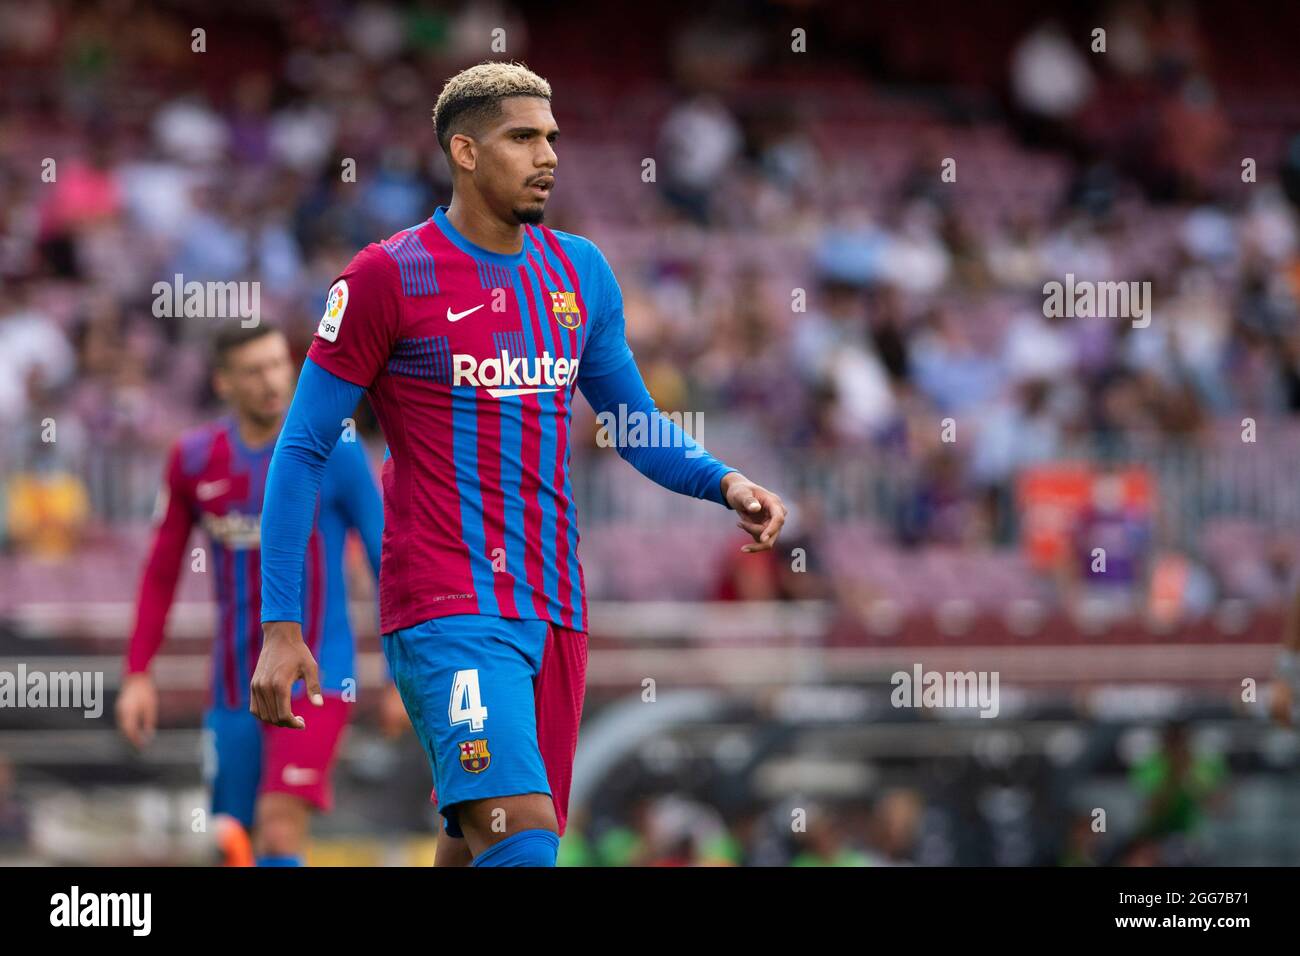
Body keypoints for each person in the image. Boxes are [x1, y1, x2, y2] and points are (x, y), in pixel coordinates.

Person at [253, 61, 787, 867]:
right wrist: (281, 623)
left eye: (552, 139)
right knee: (524, 841)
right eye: (523, 138)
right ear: (464, 151)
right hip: (447, 603)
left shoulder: (580, 273)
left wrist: (724, 481)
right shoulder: (385, 276)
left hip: (555, 609)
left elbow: (634, 424)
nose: (548, 156)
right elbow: (301, 446)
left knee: (481, 844)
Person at [117, 324, 386, 866]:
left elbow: (389, 560)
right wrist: (138, 673)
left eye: (277, 365)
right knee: (232, 841)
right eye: (253, 370)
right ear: (223, 382)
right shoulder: (194, 461)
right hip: (233, 683)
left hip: (320, 676)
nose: (271, 381)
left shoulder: (337, 448)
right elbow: (161, 572)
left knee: (280, 828)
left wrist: (407, 676)